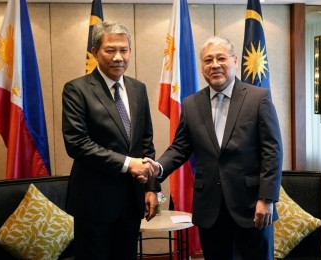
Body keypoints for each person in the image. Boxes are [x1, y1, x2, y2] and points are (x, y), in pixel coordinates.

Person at [147, 36, 283, 260]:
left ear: (235, 61)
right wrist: (158, 169)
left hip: (252, 206)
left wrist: (267, 199)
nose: (215, 65)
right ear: (202, 66)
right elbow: (180, 148)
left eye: (221, 58)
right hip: (210, 208)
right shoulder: (191, 104)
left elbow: (273, 152)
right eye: (208, 60)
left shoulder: (258, 98)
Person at [62, 21, 160, 260]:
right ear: (95, 52)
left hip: (130, 201)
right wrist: (128, 164)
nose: (118, 57)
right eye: (110, 50)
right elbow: (77, 143)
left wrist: (151, 188)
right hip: (94, 203)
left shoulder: (139, 89)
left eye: (124, 50)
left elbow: (146, 142)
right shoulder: (77, 89)